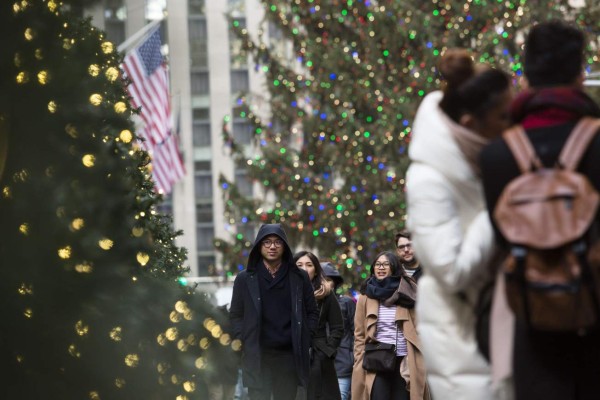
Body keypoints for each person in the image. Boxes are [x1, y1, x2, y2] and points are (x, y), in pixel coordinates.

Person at [479, 20, 600, 400]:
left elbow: (501, 238)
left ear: (526, 74)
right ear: (580, 73)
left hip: (531, 320)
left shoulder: (497, 154)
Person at [405, 48, 513, 399]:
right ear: (470, 124)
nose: (511, 125)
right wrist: (497, 208)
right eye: (503, 116)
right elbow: (450, 269)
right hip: (461, 338)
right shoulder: (428, 179)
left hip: (497, 322)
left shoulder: (480, 161)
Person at [229, 224, 319, 400]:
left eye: (278, 242)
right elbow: (236, 314)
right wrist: (244, 338)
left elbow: (312, 312)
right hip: (257, 355)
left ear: (284, 246)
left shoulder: (299, 277)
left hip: (289, 357)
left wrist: (306, 337)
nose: (272, 247)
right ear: (259, 246)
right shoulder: (245, 278)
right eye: (267, 242)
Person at [351, 251, 429, 400]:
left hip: (405, 360)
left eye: (386, 264)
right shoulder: (366, 296)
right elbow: (359, 334)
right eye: (378, 264)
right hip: (377, 359)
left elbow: (420, 328)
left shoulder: (408, 293)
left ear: (394, 267)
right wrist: (359, 359)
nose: (381, 267)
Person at [294, 251, 344, 400]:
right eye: (299, 265)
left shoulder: (326, 293)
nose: (304, 268)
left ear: (315, 270)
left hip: (319, 355)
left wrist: (327, 350)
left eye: (309, 265)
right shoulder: (285, 292)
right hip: (292, 355)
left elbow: (338, 327)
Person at [322, 261, 356, 400]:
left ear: (335, 283)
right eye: (320, 279)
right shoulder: (307, 303)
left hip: (342, 365)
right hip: (316, 366)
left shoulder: (346, 303)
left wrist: (353, 358)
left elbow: (356, 332)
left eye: (328, 280)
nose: (324, 283)